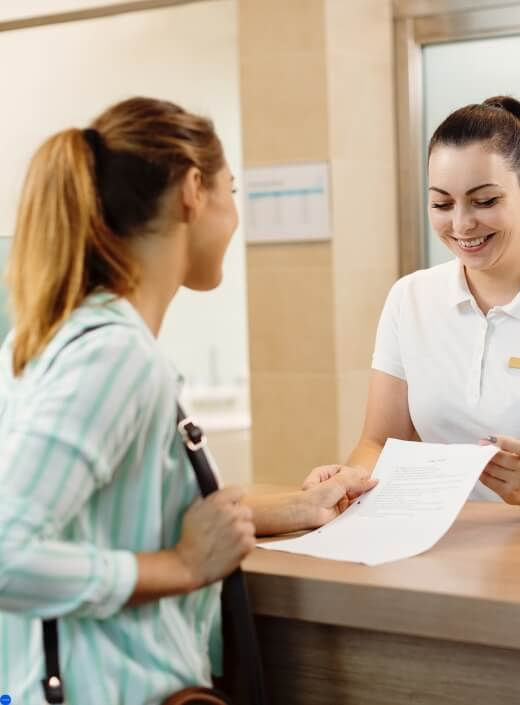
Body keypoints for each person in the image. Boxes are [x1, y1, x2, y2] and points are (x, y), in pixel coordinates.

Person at [0, 97, 374, 704]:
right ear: (193, 192)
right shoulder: (113, 357)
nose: (235, 216)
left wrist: (297, 508)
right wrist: (181, 567)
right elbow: (6, 554)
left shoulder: (50, 337)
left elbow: (116, 515)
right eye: (231, 190)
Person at [304, 96, 520, 513]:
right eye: (442, 204)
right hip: (456, 542)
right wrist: (347, 481)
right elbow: (379, 443)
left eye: (484, 201)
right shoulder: (409, 299)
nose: (462, 225)